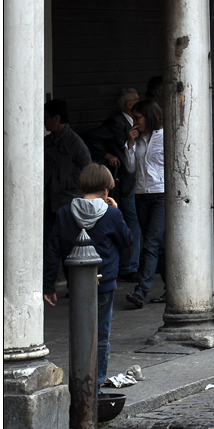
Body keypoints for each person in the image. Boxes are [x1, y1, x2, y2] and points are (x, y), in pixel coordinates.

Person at [44, 163, 132, 390]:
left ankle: (79, 377)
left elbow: (52, 249)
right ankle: (97, 380)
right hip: (105, 280)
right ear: (105, 190)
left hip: (76, 281)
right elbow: (127, 242)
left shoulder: (64, 213)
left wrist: (49, 284)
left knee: (79, 330)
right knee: (101, 333)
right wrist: (118, 211)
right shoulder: (111, 213)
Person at [84, 88, 141, 281]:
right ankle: (129, 266)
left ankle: (130, 263)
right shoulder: (117, 122)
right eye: (136, 100)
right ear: (129, 104)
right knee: (130, 220)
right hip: (123, 179)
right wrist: (107, 156)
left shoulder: (135, 123)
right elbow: (93, 137)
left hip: (132, 179)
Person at [124, 98, 166, 308]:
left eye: (138, 117)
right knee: (158, 245)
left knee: (150, 243)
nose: (135, 121)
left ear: (148, 116)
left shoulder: (165, 136)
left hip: (160, 194)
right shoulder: (137, 139)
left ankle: (141, 291)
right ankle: (172, 289)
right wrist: (130, 145)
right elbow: (131, 168)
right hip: (141, 194)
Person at [44, 99, 92, 247]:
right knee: (49, 247)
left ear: (56, 118)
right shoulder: (47, 141)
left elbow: (88, 170)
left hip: (67, 202)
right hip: (48, 202)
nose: (44, 121)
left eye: (46, 117)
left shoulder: (75, 143)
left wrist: (66, 183)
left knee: (68, 247)